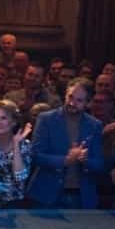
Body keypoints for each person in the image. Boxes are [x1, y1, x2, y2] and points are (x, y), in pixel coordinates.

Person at [26, 78, 104, 208]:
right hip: (46, 195)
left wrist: (85, 160)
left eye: (79, 100)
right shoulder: (46, 119)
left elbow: (99, 164)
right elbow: (36, 155)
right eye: (70, 97)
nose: (72, 103)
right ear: (65, 94)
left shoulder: (95, 125)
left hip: (81, 196)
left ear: (88, 103)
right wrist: (65, 160)